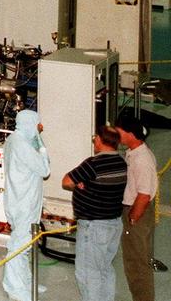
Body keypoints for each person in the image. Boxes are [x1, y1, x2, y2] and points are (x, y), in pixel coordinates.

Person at [63, 126, 128, 301]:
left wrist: (78, 184)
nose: (94, 142)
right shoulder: (121, 163)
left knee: (88, 274)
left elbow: (66, 180)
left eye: (95, 138)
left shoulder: (93, 164)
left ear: (100, 139)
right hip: (114, 224)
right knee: (104, 269)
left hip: (94, 228)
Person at [2, 110, 50, 301]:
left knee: (25, 243)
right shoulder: (22, 145)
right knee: (19, 245)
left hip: (20, 199)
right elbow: (45, 169)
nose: (41, 127)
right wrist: (41, 144)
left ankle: (25, 282)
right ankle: (14, 287)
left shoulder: (14, 139)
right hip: (24, 202)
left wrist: (36, 138)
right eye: (38, 124)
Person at [116, 113, 157, 301]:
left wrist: (133, 218)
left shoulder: (142, 159)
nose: (118, 135)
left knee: (137, 263)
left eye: (120, 132)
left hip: (137, 212)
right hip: (134, 209)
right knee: (134, 261)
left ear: (131, 134)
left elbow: (144, 194)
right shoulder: (134, 152)